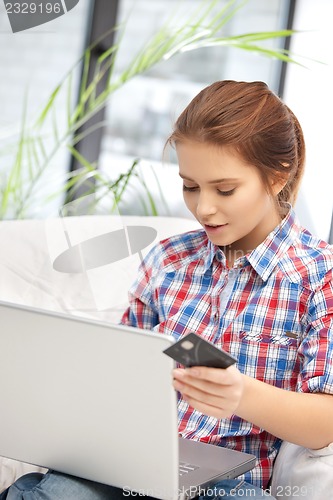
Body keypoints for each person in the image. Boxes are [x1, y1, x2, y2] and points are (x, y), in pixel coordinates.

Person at [1, 80, 333, 499]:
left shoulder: (320, 275)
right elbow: (119, 374)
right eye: (190, 186)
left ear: (277, 177)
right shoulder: (167, 262)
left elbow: (326, 422)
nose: (203, 208)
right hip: (126, 467)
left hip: (227, 487)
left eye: (225, 189)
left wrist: (242, 394)